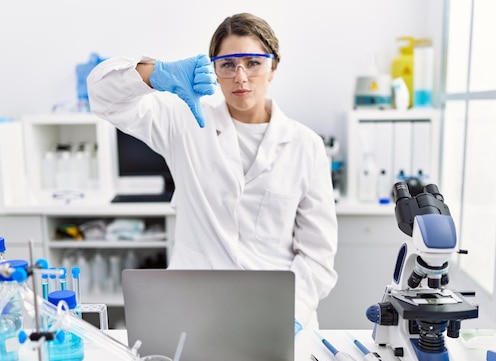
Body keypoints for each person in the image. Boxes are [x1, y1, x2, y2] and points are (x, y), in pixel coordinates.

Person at [87, 12, 337, 332]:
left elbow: (317, 253)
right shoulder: (185, 122)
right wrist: (158, 74)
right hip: (196, 309)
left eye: (253, 63)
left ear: (273, 66)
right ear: (214, 70)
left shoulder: (306, 145)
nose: (241, 77)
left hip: (276, 311)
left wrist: (294, 313)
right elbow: (102, 96)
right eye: (228, 64)